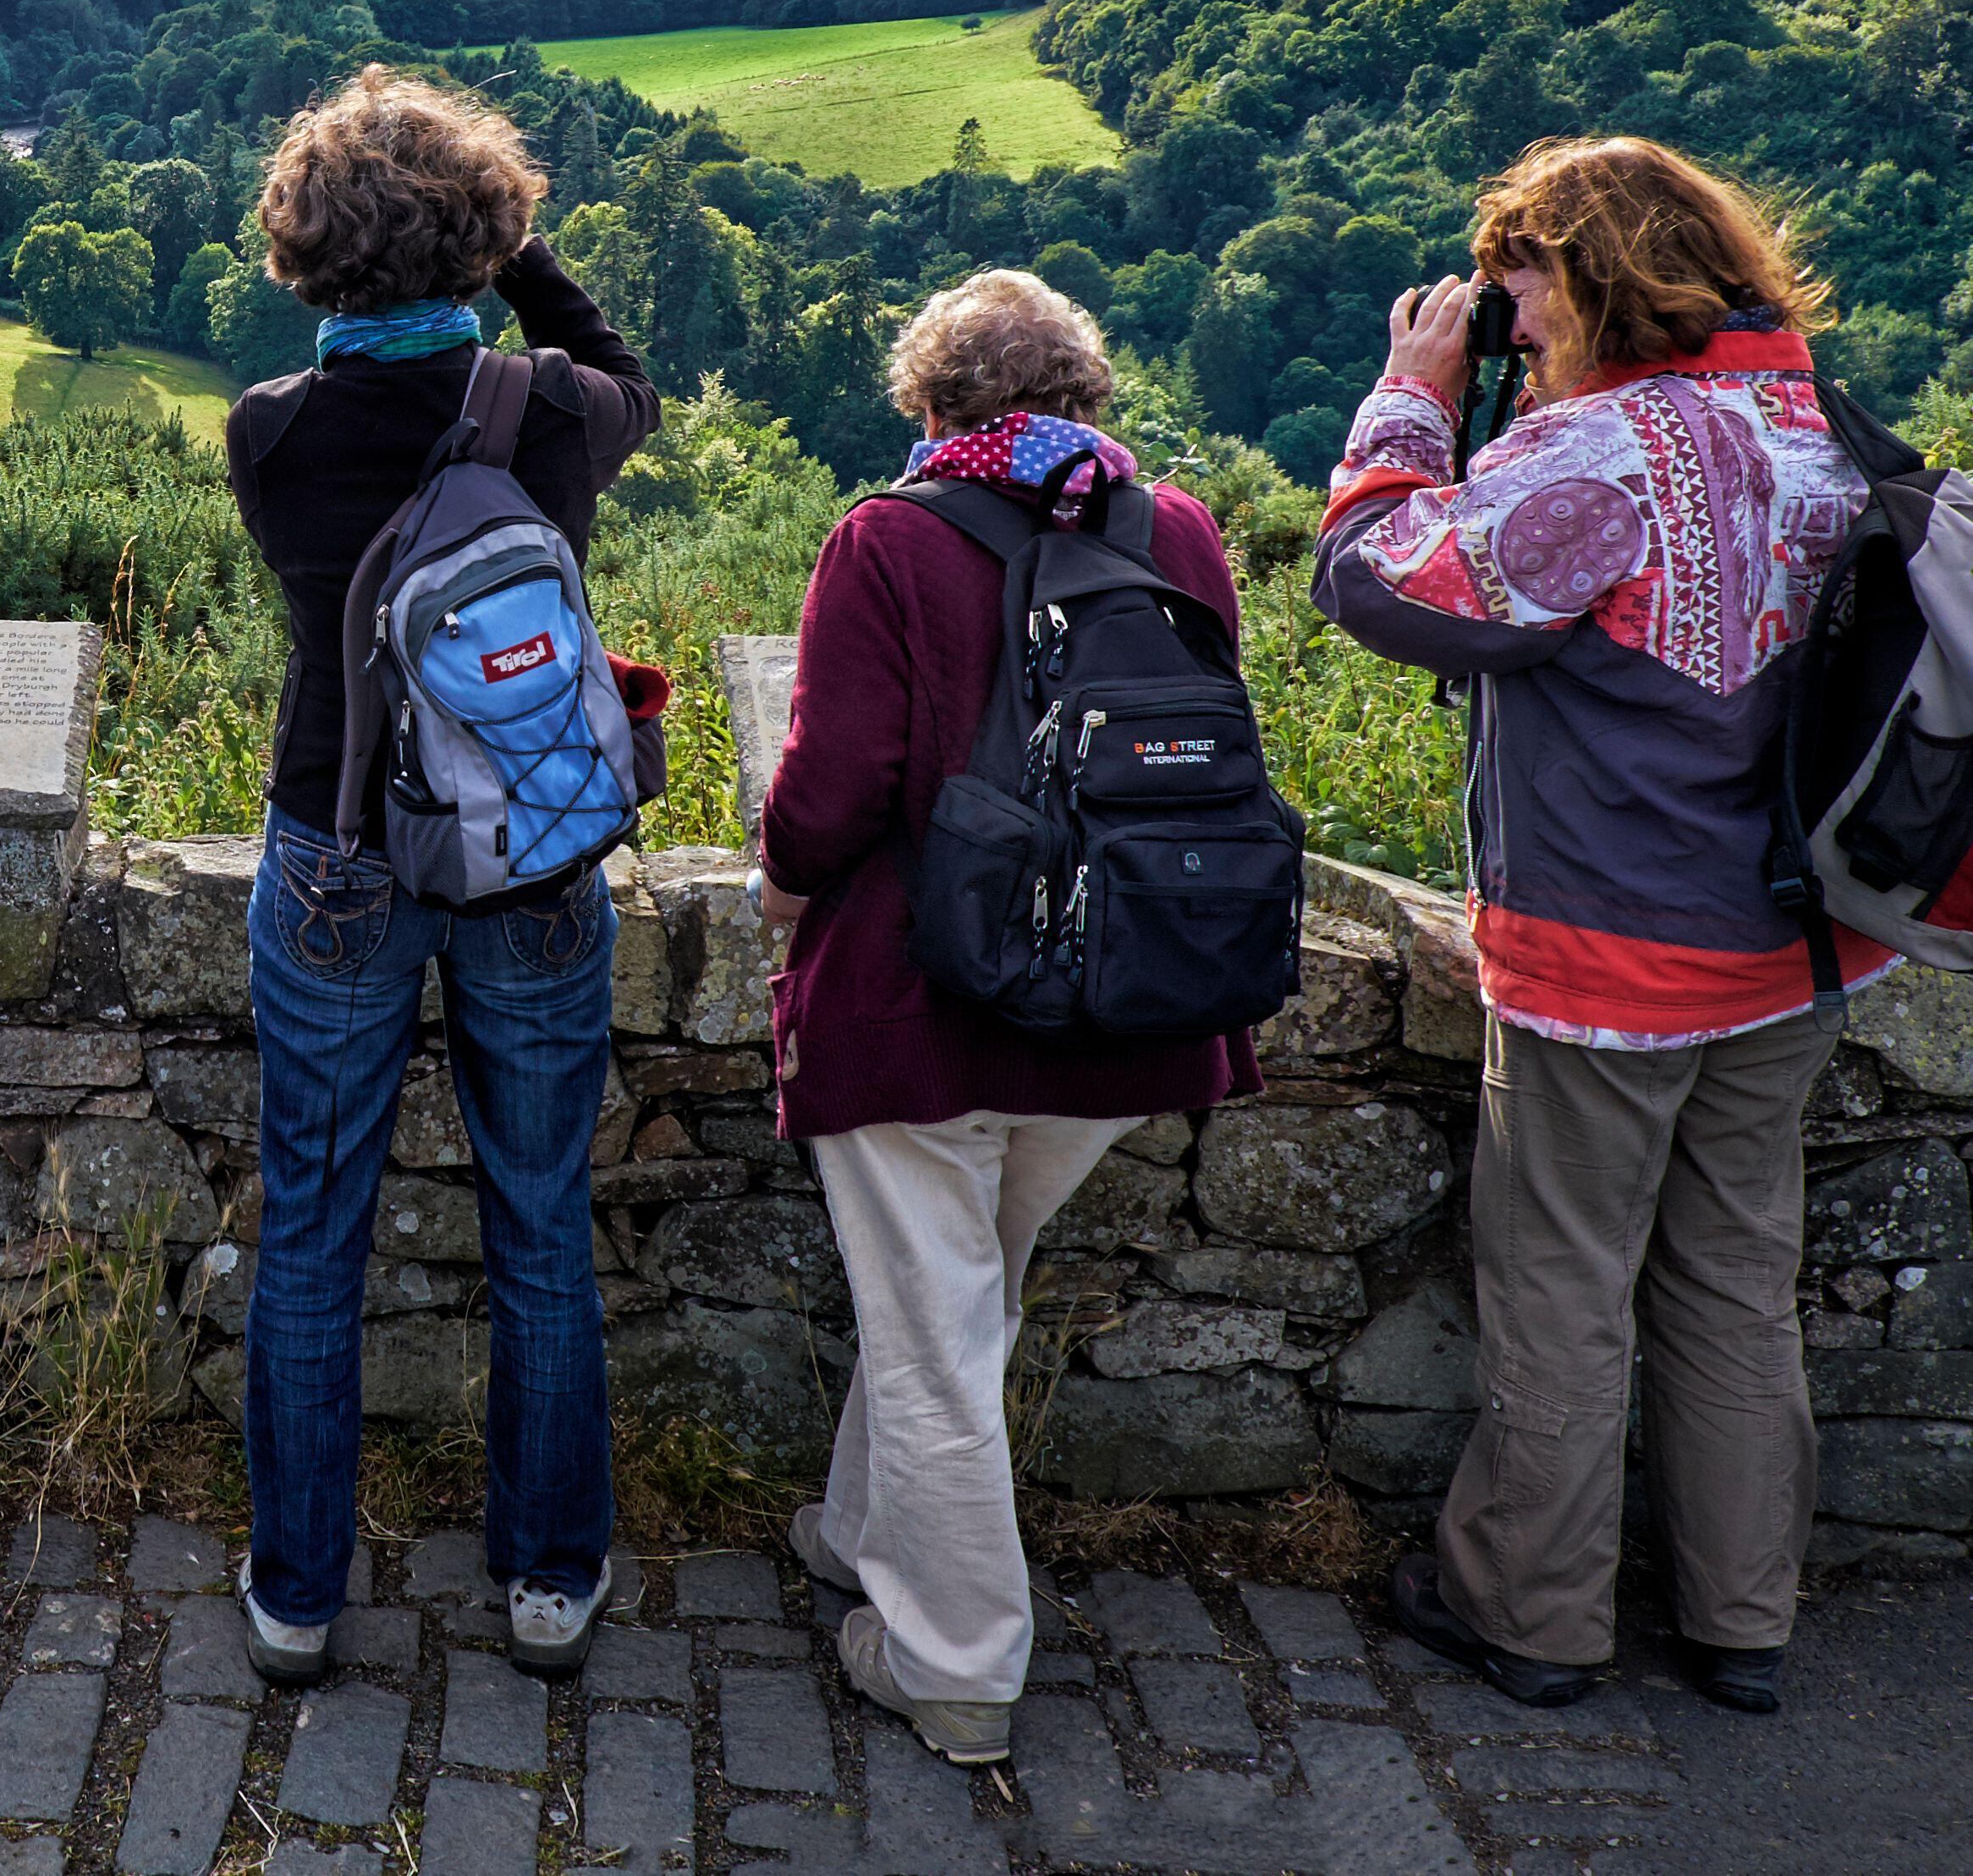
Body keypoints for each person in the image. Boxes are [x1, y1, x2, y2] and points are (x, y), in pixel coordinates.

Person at [1316, 136, 1871, 1718]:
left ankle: (1535, 1618)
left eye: (1519, 273)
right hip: (1798, 949)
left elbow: (1375, 581)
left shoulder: (1605, 460)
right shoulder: (1819, 425)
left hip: (1610, 959)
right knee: (1733, 1281)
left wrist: (1415, 400)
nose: (1500, 304)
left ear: (1597, 274)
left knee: (1564, 1284)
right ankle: (1741, 1619)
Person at [752, 270, 1260, 1765]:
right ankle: (860, 1533)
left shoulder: (890, 539)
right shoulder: (1173, 529)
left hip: (929, 997)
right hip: (1125, 996)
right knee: (958, 1308)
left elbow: (836, 780)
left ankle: (956, 1667)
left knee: (933, 1342)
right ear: (1089, 398)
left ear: (930, 406)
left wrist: (781, 894)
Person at [221, 69, 661, 1684]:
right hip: (529, 851)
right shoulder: (547, 414)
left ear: (305, 251)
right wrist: (520, 259)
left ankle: (297, 1591)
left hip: (336, 840)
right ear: (482, 236)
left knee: (312, 1226)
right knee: (540, 1217)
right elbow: (630, 380)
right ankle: (549, 1581)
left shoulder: (272, 436)